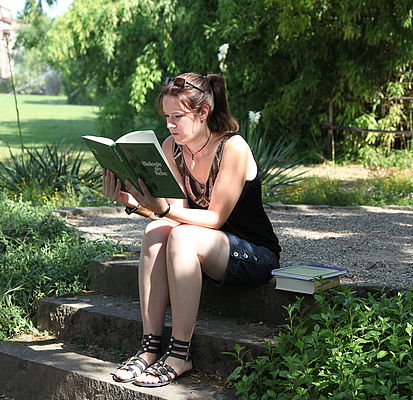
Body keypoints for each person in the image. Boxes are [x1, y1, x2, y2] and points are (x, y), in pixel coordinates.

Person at [102, 72, 281, 388]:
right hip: (203, 248)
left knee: (180, 234)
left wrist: (162, 210)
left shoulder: (232, 147)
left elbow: (214, 219)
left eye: (178, 117)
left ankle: (181, 354)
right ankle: (149, 347)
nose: (170, 125)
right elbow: (172, 215)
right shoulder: (173, 147)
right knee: (156, 231)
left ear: (203, 112)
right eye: (167, 117)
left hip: (252, 254)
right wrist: (133, 202)